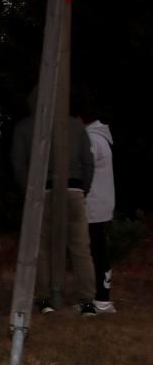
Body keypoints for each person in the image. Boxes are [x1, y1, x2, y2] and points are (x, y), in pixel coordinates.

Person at [11, 87, 96, 316]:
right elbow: (89, 162)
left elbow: (19, 166)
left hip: (43, 193)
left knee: (41, 249)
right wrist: (82, 188)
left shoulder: (25, 127)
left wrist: (29, 193)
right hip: (74, 190)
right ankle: (87, 300)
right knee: (80, 248)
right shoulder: (76, 126)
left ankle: (46, 299)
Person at [81, 114, 116, 313]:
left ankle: (102, 298)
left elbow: (86, 168)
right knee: (98, 250)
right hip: (100, 203)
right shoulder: (100, 138)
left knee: (97, 252)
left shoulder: (92, 140)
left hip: (93, 204)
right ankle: (100, 296)